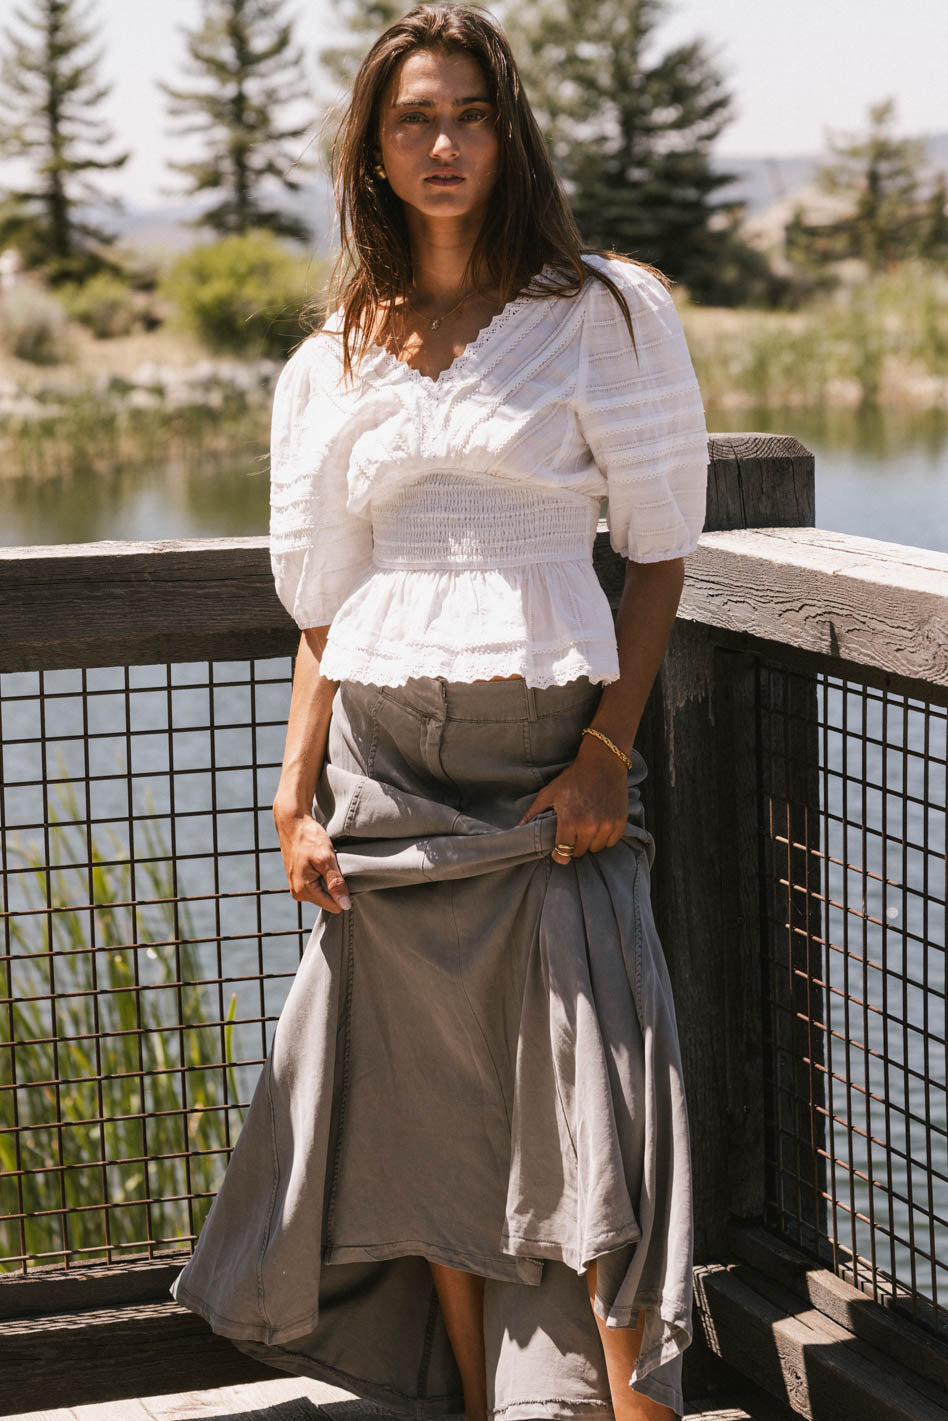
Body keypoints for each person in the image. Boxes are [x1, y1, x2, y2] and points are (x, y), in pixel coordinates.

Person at [169, 6, 708, 1420]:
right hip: (386, 790)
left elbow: (658, 552)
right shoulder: (335, 354)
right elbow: (324, 608)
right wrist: (294, 799)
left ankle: (630, 1403)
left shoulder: (607, 314)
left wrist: (607, 749)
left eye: (470, 113)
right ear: (376, 148)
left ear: (508, 130)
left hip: (548, 786)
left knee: (600, 1105)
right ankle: (481, 1401)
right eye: (416, 118)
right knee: (425, 1125)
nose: (447, 141)